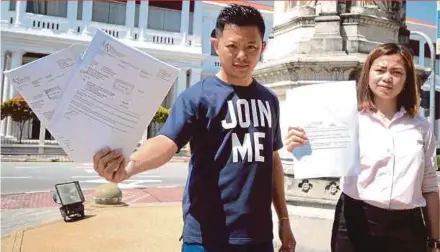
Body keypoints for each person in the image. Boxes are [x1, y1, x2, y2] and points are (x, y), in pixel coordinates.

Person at [93, 4, 296, 252]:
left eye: (251, 47)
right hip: (206, 237)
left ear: (262, 47)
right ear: (216, 44)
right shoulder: (197, 97)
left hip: (258, 237)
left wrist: (284, 220)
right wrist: (129, 167)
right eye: (232, 46)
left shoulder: (269, 100)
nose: (242, 55)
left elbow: (273, 160)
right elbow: (167, 142)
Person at [285, 43, 439, 252]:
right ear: (368, 74)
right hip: (356, 220)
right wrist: (300, 147)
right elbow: (320, 159)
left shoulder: (421, 127)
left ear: (406, 80)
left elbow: (429, 186)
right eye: (380, 70)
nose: (387, 77)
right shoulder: (347, 120)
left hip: (407, 228)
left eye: (396, 72)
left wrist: (435, 239)